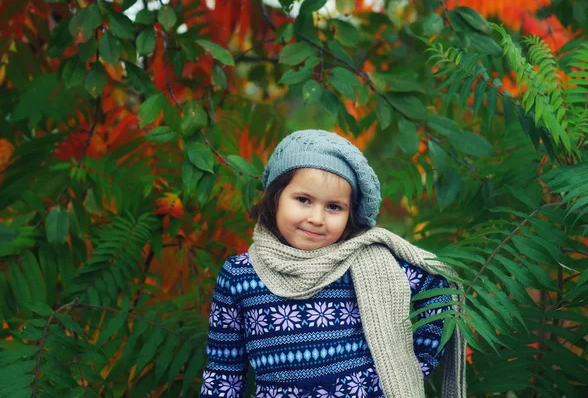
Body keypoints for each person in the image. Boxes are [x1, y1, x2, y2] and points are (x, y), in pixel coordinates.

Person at [200, 130, 466, 398]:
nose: (317, 218)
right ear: (275, 197)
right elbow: (224, 370)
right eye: (303, 200)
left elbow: (439, 288)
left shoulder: (360, 262)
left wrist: (414, 364)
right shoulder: (239, 275)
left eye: (334, 207)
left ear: (350, 214)